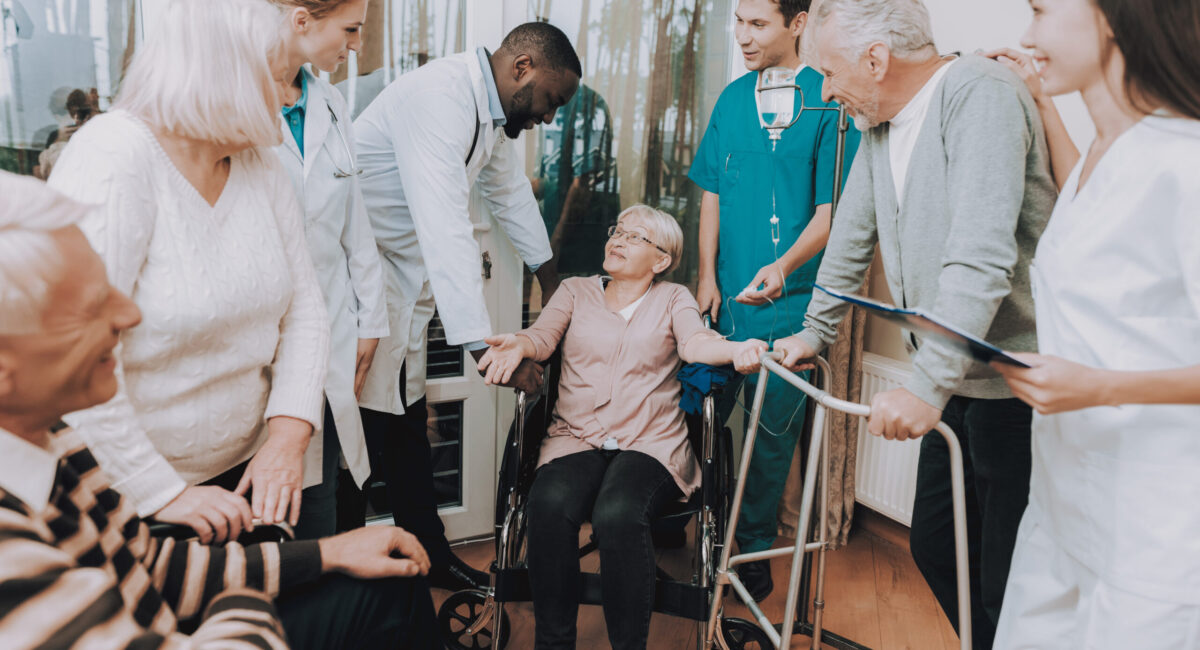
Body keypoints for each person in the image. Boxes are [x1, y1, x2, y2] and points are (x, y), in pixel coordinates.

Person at [0, 171, 439, 649]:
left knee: (392, 580)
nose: (129, 315)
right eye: (91, 305)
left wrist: (326, 554)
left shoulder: (56, 440)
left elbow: (147, 564)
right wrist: (243, 600)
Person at [748, 0, 1058, 646]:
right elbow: (851, 238)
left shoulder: (979, 94)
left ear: (876, 59)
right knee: (939, 550)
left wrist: (924, 385)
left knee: (1008, 581)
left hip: (1015, 387)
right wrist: (814, 332)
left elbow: (980, 258)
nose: (827, 94)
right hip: (955, 383)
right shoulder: (881, 125)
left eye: (830, 75)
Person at [47, 0, 329, 542]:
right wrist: (163, 491)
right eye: (281, 78)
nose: (293, 97)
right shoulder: (113, 159)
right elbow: (75, 352)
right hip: (133, 494)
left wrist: (286, 439)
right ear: (225, 76)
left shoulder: (261, 165)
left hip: (248, 475)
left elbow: (306, 311)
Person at [986, 1, 1200, 646]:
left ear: (1112, 16)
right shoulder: (1099, 158)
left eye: (1042, 10)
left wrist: (1102, 387)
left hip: (1156, 531)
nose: (1027, 34)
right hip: (1060, 505)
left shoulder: (1185, 162)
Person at [353, 21, 582, 591]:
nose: (549, 117)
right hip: (360, 283)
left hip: (403, 282)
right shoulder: (441, 97)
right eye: (551, 101)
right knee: (360, 439)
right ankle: (353, 575)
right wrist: (488, 352)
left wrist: (552, 280)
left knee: (406, 422)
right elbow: (446, 228)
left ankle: (427, 555)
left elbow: (508, 195)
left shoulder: (495, 114)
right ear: (522, 68)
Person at [478, 205, 767, 650]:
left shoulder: (674, 298)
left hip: (650, 442)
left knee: (618, 513)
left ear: (661, 260)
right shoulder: (574, 291)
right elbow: (543, 336)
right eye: (618, 231)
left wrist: (737, 349)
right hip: (575, 436)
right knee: (549, 504)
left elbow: (695, 343)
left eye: (635, 237)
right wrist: (519, 343)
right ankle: (553, 644)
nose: (618, 239)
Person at [687, 0, 860, 601]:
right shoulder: (733, 99)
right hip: (725, 299)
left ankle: (752, 548)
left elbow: (832, 213)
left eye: (757, 23)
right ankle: (693, 523)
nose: (742, 36)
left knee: (769, 435)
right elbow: (710, 192)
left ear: (798, 23)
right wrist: (706, 277)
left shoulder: (828, 103)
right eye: (738, 22)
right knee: (692, 408)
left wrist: (784, 267)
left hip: (793, 305)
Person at [270, 0, 389, 540]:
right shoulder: (237, 104)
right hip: (265, 330)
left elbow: (354, 220)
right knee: (277, 495)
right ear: (302, 21)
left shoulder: (332, 101)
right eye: (350, 29)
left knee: (325, 487)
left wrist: (370, 320)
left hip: (336, 323)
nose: (357, 44)